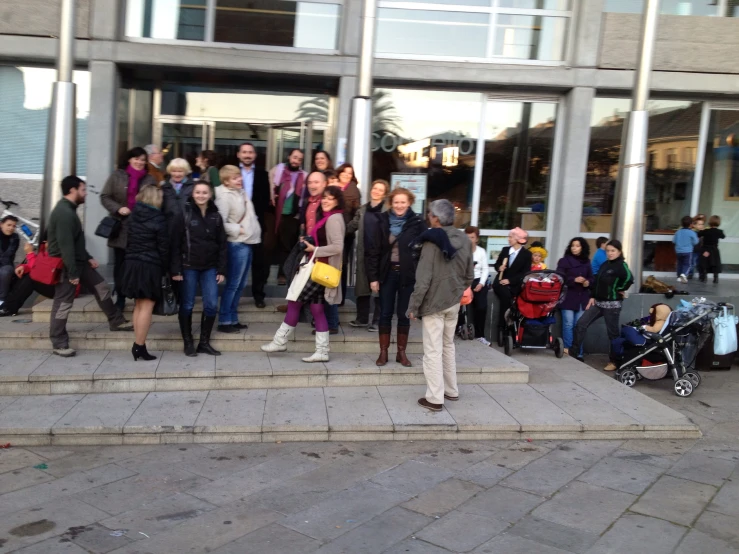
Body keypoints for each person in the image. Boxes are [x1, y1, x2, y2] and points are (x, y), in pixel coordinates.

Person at [48, 176, 133, 357]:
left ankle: (115, 321)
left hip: (79, 262)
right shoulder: (64, 213)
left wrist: (87, 258)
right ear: (72, 190)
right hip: (67, 266)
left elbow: (75, 242)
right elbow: (66, 246)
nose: (86, 193)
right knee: (63, 303)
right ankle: (59, 342)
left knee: (101, 287)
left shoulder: (70, 210)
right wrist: (72, 272)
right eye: (83, 189)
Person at [261, 186, 346, 363]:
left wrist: (314, 249)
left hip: (318, 270)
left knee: (294, 302)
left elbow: (338, 247)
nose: (325, 201)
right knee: (317, 309)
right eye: (324, 198)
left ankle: (280, 341)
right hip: (318, 270)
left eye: (330, 198)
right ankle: (322, 352)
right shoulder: (328, 217)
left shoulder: (334, 219)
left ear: (337, 201)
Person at [408, 199, 473, 411]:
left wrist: (413, 306)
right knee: (448, 346)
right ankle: (451, 390)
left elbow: (423, 279)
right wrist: (457, 289)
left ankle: (435, 398)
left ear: (435, 218)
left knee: (433, 351)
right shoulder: (463, 238)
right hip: (453, 302)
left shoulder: (431, 242)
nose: (428, 216)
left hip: (434, 304)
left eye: (430, 214)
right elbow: (469, 275)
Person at [367, 187, 425, 367]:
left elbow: (424, 250)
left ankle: (401, 353)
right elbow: (373, 251)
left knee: (404, 314)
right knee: (384, 313)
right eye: (396, 202)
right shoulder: (381, 220)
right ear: (391, 203)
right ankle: (383, 352)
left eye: (403, 202)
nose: (400, 206)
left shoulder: (417, 222)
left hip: (408, 275)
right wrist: (373, 277)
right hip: (387, 273)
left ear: (409, 203)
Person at [171, 182, 228, 356]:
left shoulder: (216, 216)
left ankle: (204, 342)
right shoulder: (184, 214)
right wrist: (175, 270)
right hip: (188, 267)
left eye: (205, 192)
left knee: (211, 305)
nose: (201, 195)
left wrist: (221, 269)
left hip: (210, 268)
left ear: (210, 195)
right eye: (198, 192)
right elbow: (174, 244)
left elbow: (222, 245)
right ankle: (188, 342)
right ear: (193, 194)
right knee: (187, 305)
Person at [100, 147, 158, 310]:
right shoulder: (117, 175)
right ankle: (120, 297)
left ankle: (137, 294)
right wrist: (118, 208)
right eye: (136, 159)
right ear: (129, 159)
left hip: (141, 228)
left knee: (138, 264)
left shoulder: (149, 179)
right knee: (120, 264)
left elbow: (154, 201)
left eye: (142, 159)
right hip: (121, 227)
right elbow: (105, 196)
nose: (140, 162)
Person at [119, 185, 170, 361]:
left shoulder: (133, 216)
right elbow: (164, 248)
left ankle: (139, 343)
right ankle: (139, 346)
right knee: (147, 307)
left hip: (132, 263)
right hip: (150, 265)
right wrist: (166, 268)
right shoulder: (159, 218)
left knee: (138, 305)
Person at [570, 239, 633, 370]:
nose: (610, 253)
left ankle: (614, 362)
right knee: (581, 324)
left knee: (613, 334)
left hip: (612, 305)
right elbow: (597, 282)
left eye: (613, 251)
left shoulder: (621, 265)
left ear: (619, 252)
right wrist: (592, 295)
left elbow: (629, 279)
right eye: (608, 251)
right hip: (598, 303)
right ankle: (574, 353)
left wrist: (618, 289)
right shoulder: (605, 264)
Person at [215, 165, 261, 333]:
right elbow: (220, 223)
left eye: (239, 176)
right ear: (226, 181)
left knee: (240, 285)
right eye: (235, 178)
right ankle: (225, 320)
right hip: (236, 243)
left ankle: (232, 318)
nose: (239, 179)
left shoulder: (239, 192)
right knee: (233, 285)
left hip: (246, 242)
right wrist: (239, 230)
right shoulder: (224, 196)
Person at [347, 179, 389, 330]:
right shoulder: (363, 209)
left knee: (380, 288)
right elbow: (352, 225)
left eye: (380, 190)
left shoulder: (387, 210)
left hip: (381, 254)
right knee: (362, 286)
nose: (376, 191)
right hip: (364, 252)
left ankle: (377, 321)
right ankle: (362, 318)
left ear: (384, 194)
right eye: (375, 188)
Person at [237, 142, 271, 309]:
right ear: (238, 155)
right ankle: (234, 297)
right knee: (236, 263)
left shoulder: (262, 174)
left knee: (259, 264)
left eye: (250, 152)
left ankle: (259, 296)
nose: (247, 155)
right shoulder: (232, 172)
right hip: (236, 226)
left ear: (255, 155)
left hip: (256, 225)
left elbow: (265, 200)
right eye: (244, 152)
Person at [269, 149, 308, 285]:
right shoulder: (278, 170)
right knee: (270, 245)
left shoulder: (303, 176)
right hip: (274, 213)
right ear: (289, 157)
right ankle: (265, 276)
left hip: (292, 216)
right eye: (294, 157)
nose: (296, 161)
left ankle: (282, 275)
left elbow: (304, 197)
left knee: (287, 246)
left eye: (299, 159)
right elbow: (270, 185)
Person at [492, 227, 532, 341]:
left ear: (518, 239)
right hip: (500, 281)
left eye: (511, 237)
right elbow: (497, 264)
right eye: (509, 236)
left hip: (514, 284)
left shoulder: (526, 254)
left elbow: (525, 273)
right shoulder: (505, 250)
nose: (509, 239)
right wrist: (499, 267)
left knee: (512, 298)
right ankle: (503, 327)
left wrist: (510, 281)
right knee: (506, 297)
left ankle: (510, 328)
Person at [556, 237, 593, 357]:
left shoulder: (587, 261)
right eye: (572, 245)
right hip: (568, 297)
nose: (574, 248)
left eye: (577, 246)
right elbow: (559, 277)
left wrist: (587, 282)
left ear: (582, 248)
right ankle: (568, 350)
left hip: (582, 298)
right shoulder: (564, 261)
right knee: (568, 324)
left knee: (579, 326)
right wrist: (574, 280)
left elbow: (592, 278)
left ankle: (579, 353)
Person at [457, 226, 489, 343]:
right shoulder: (460, 251)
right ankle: (460, 327)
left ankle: (480, 335)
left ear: (477, 239)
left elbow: (485, 269)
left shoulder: (481, 252)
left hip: (477, 280)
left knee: (481, 306)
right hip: (463, 280)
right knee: (459, 305)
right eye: (467, 237)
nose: (469, 239)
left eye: (472, 237)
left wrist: (481, 283)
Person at [0, 215, 20, 308]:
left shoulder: (15, 238)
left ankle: (2, 299)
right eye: (9, 225)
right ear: (1, 224)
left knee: (6, 271)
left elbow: (8, 256)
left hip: (6, 265)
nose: (11, 228)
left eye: (13, 226)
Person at [699, 215, 725, 283]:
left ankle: (704, 276)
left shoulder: (706, 231)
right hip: (714, 250)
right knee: (715, 263)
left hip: (706, 250)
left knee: (705, 262)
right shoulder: (719, 231)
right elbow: (723, 236)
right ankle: (715, 277)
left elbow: (699, 234)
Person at [673, 215, 699, 284]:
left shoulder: (678, 232)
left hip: (678, 251)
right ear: (691, 224)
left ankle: (679, 277)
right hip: (688, 251)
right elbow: (696, 242)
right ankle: (684, 274)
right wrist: (691, 243)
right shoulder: (692, 232)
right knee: (687, 264)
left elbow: (674, 241)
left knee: (679, 264)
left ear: (681, 224)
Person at [687, 214, 705, 280]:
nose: (701, 226)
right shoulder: (693, 232)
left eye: (702, 224)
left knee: (699, 264)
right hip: (693, 250)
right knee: (692, 263)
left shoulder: (703, 232)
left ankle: (701, 274)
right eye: (699, 224)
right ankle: (690, 274)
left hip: (701, 250)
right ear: (694, 225)